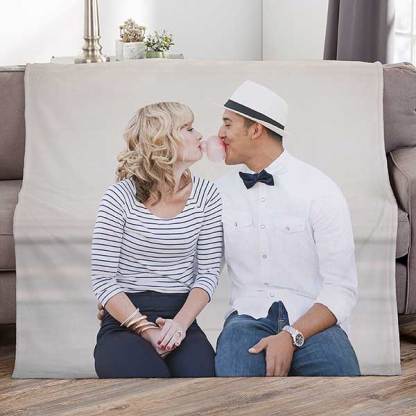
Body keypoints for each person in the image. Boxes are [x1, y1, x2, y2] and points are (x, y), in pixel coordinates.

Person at [214, 80, 361, 377]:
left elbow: (341, 287)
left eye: (228, 124)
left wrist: (291, 335)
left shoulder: (320, 189)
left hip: (314, 321)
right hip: (246, 320)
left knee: (344, 390)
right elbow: (199, 270)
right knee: (235, 394)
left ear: (256, 130)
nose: (219, 134)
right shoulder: (217, 194)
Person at [91, 102, 223, 378]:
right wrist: (147, 330)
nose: (200, 135)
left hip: (181, 319)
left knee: (202, 384)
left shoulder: (208, 196)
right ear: (161, 140)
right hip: (125, 321)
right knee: (149, 384)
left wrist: (180, 325)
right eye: (188, 128)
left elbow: (208, 272)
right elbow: (103, 280)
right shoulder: (118, 198)